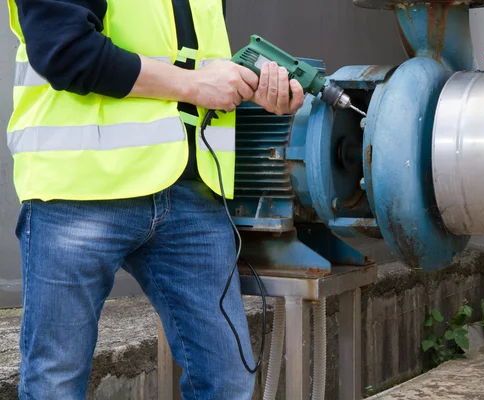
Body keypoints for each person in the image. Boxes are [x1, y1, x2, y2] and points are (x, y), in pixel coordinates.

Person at [5, 0, 304, 399]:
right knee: (54, 385)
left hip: (191, 193)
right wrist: (198, 84)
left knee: (228, 382)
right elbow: (67, 51)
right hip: (79, 191)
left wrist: (252, 89)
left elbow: (193, 59)